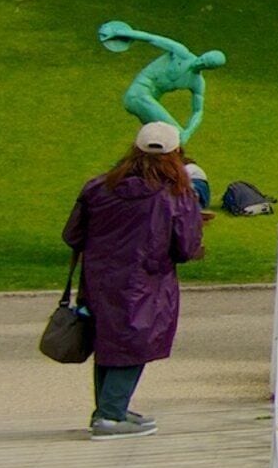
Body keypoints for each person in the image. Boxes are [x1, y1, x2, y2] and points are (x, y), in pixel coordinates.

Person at [64, 121, 205, 438]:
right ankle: (110, 416)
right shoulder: (175, 194)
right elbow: (185, 247)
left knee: (108, 340)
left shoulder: (97, 188)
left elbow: (72, 234)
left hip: (99, 278)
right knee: (134, 342)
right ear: (175, 154)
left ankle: (109, 408)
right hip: (145, 280)